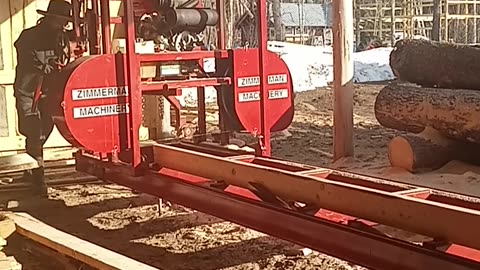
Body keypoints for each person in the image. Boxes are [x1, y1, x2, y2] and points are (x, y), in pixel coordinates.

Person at [13, 0, 73, 195]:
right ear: (50, 18)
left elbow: (64, 59)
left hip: (49, 91)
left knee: (43, 131)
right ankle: (38, 178)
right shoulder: (28, 36)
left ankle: (32, 170)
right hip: (29, 90)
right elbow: (27, 57)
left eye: (65, 22)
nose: (63, 25)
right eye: (61, 21)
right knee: (33, 130)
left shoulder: (61, 38)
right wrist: (45, 67)